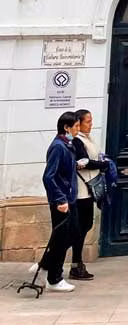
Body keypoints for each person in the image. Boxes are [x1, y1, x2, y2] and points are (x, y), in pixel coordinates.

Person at [29, 111, 81, 292]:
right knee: (61, 237)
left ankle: (45, 265)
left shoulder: (68, 145)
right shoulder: (58, 147)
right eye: (76, 127)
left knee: (72, 234)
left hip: (69, 197)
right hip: (62, 200)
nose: (78, 130)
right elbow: (48, 176)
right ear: (66, 127)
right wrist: (60, 198)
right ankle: (54, 277)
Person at [70, 109, 109, 281]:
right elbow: (84, 162)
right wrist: (102, 164)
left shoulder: (88, 138)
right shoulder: (77, 141)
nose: (90, 124)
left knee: (85, 225)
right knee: (80, 227)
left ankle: (75, 263)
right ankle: (74, 264)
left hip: (89, 189)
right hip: (81, 191)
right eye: (87, 121)